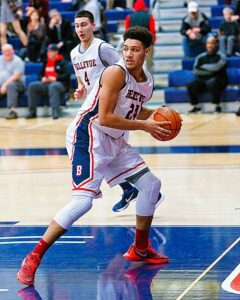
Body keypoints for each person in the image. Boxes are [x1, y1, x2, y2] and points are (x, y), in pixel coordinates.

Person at [16, 26, 170, 286]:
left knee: (151, 185)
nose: (129, 54)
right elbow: (106, 116)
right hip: (89, 135)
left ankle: (140, 248)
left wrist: (156, 115)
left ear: (147, 51)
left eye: (135, 50)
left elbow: (133, 108)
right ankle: (33, 257)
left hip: (116, 139)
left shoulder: (148, 81)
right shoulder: (114, 73)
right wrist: (146, 126)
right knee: (82, 202)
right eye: (126, 49)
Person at [71, 10, 143, 213]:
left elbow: (125, 70)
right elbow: (81, 75)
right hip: (93, 109)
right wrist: (81, 87)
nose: (80, 29)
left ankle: (137, 187)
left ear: (93, 25)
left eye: (84, 24)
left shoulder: (103, 48)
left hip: (112, 108)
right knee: (106, 155)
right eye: (77, 25)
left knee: (108, 154)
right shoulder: (74, 53)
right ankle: (132, 188)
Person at [26, 44, 71, 119]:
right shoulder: (46, 62)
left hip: (61, 84)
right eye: (48, 51)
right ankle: (32, 112)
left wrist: (56, 78)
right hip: (47, 84)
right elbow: (39, 75)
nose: (48, 53)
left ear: (56, 52)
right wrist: (42, 78)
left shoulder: (63, 62)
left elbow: (67, 75)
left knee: (53, 86)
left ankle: (55, 112)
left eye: (50, 51)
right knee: (32, 86)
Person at [187, 36, 228, 113]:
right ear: (206, 44)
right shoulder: (200, 57)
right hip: (204, 80)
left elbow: (217, 67)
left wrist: (204, 67)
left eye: (212, 43)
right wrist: (211, 71)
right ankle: (196, 106)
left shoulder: (221, 56)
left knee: (213, 81)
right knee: (191, 84)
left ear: (216, 44)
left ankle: (217, 106)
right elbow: (196, 70)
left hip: (219, 81)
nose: (210, 45)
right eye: (208, 43)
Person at [125, 0, 156, 72]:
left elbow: (127, 33)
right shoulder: (149, 17)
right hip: (147, 45)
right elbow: (152, 32)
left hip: (133, 46)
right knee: (149, 64)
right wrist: (152, 43)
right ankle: (150, 81)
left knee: (133, 65)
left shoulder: (129, 17)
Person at [0, 44, 25, 119]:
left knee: (11, 85)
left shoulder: (18, 61)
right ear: (2, 52)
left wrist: (4, 85)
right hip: (2, 84)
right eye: (5, 51)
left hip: (18, 84)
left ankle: (12, 111)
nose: (7, 53)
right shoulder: (0, 59)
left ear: (13, 51)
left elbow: (16, 76)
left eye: (9, 51)